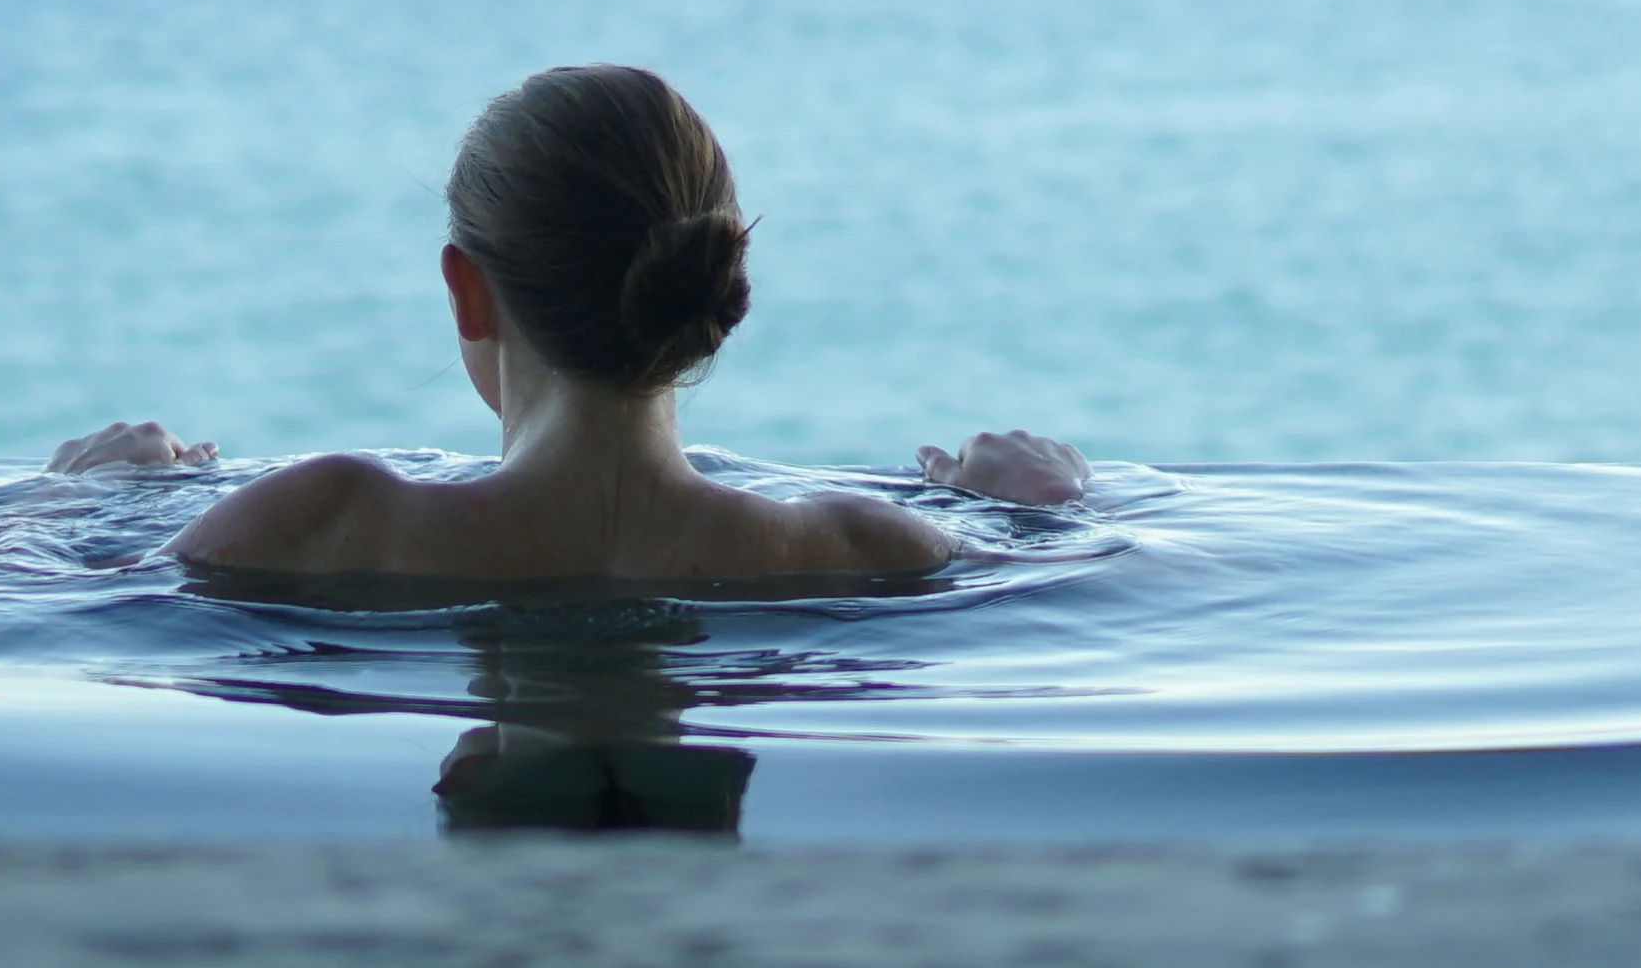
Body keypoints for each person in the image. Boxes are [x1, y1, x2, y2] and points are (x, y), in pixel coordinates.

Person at [53, 63, 1088, 582]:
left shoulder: (325, 522)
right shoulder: (861, 548)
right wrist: (1042, 510)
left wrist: (76, 503)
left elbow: (4, 595)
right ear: (713, 286)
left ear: (467, 290)